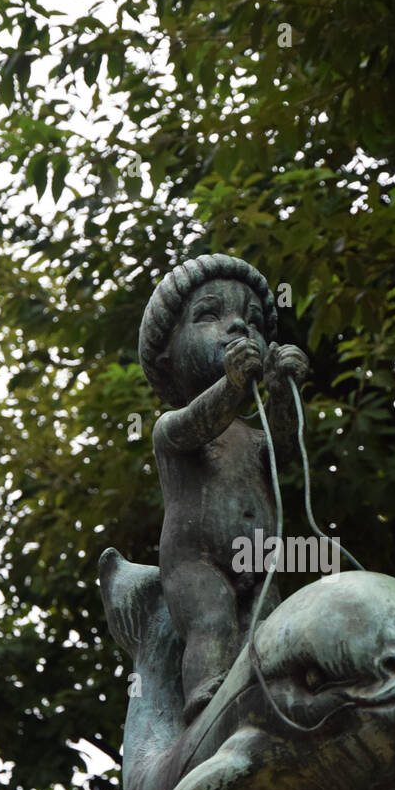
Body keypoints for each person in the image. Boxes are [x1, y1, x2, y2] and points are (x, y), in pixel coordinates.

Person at [138, 254, 308, 723]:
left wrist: (281, 390)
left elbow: (285, 446)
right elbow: (199, 423)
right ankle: (206, 703)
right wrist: (234, 385)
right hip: (198, 563)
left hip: (260, 562)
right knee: (212, 620)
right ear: (167, 359)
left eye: (251, 320)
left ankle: (270, 702)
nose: (238, 326)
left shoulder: (253, 437)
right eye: (210, 315)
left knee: (271, 634)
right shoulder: (171, 429)